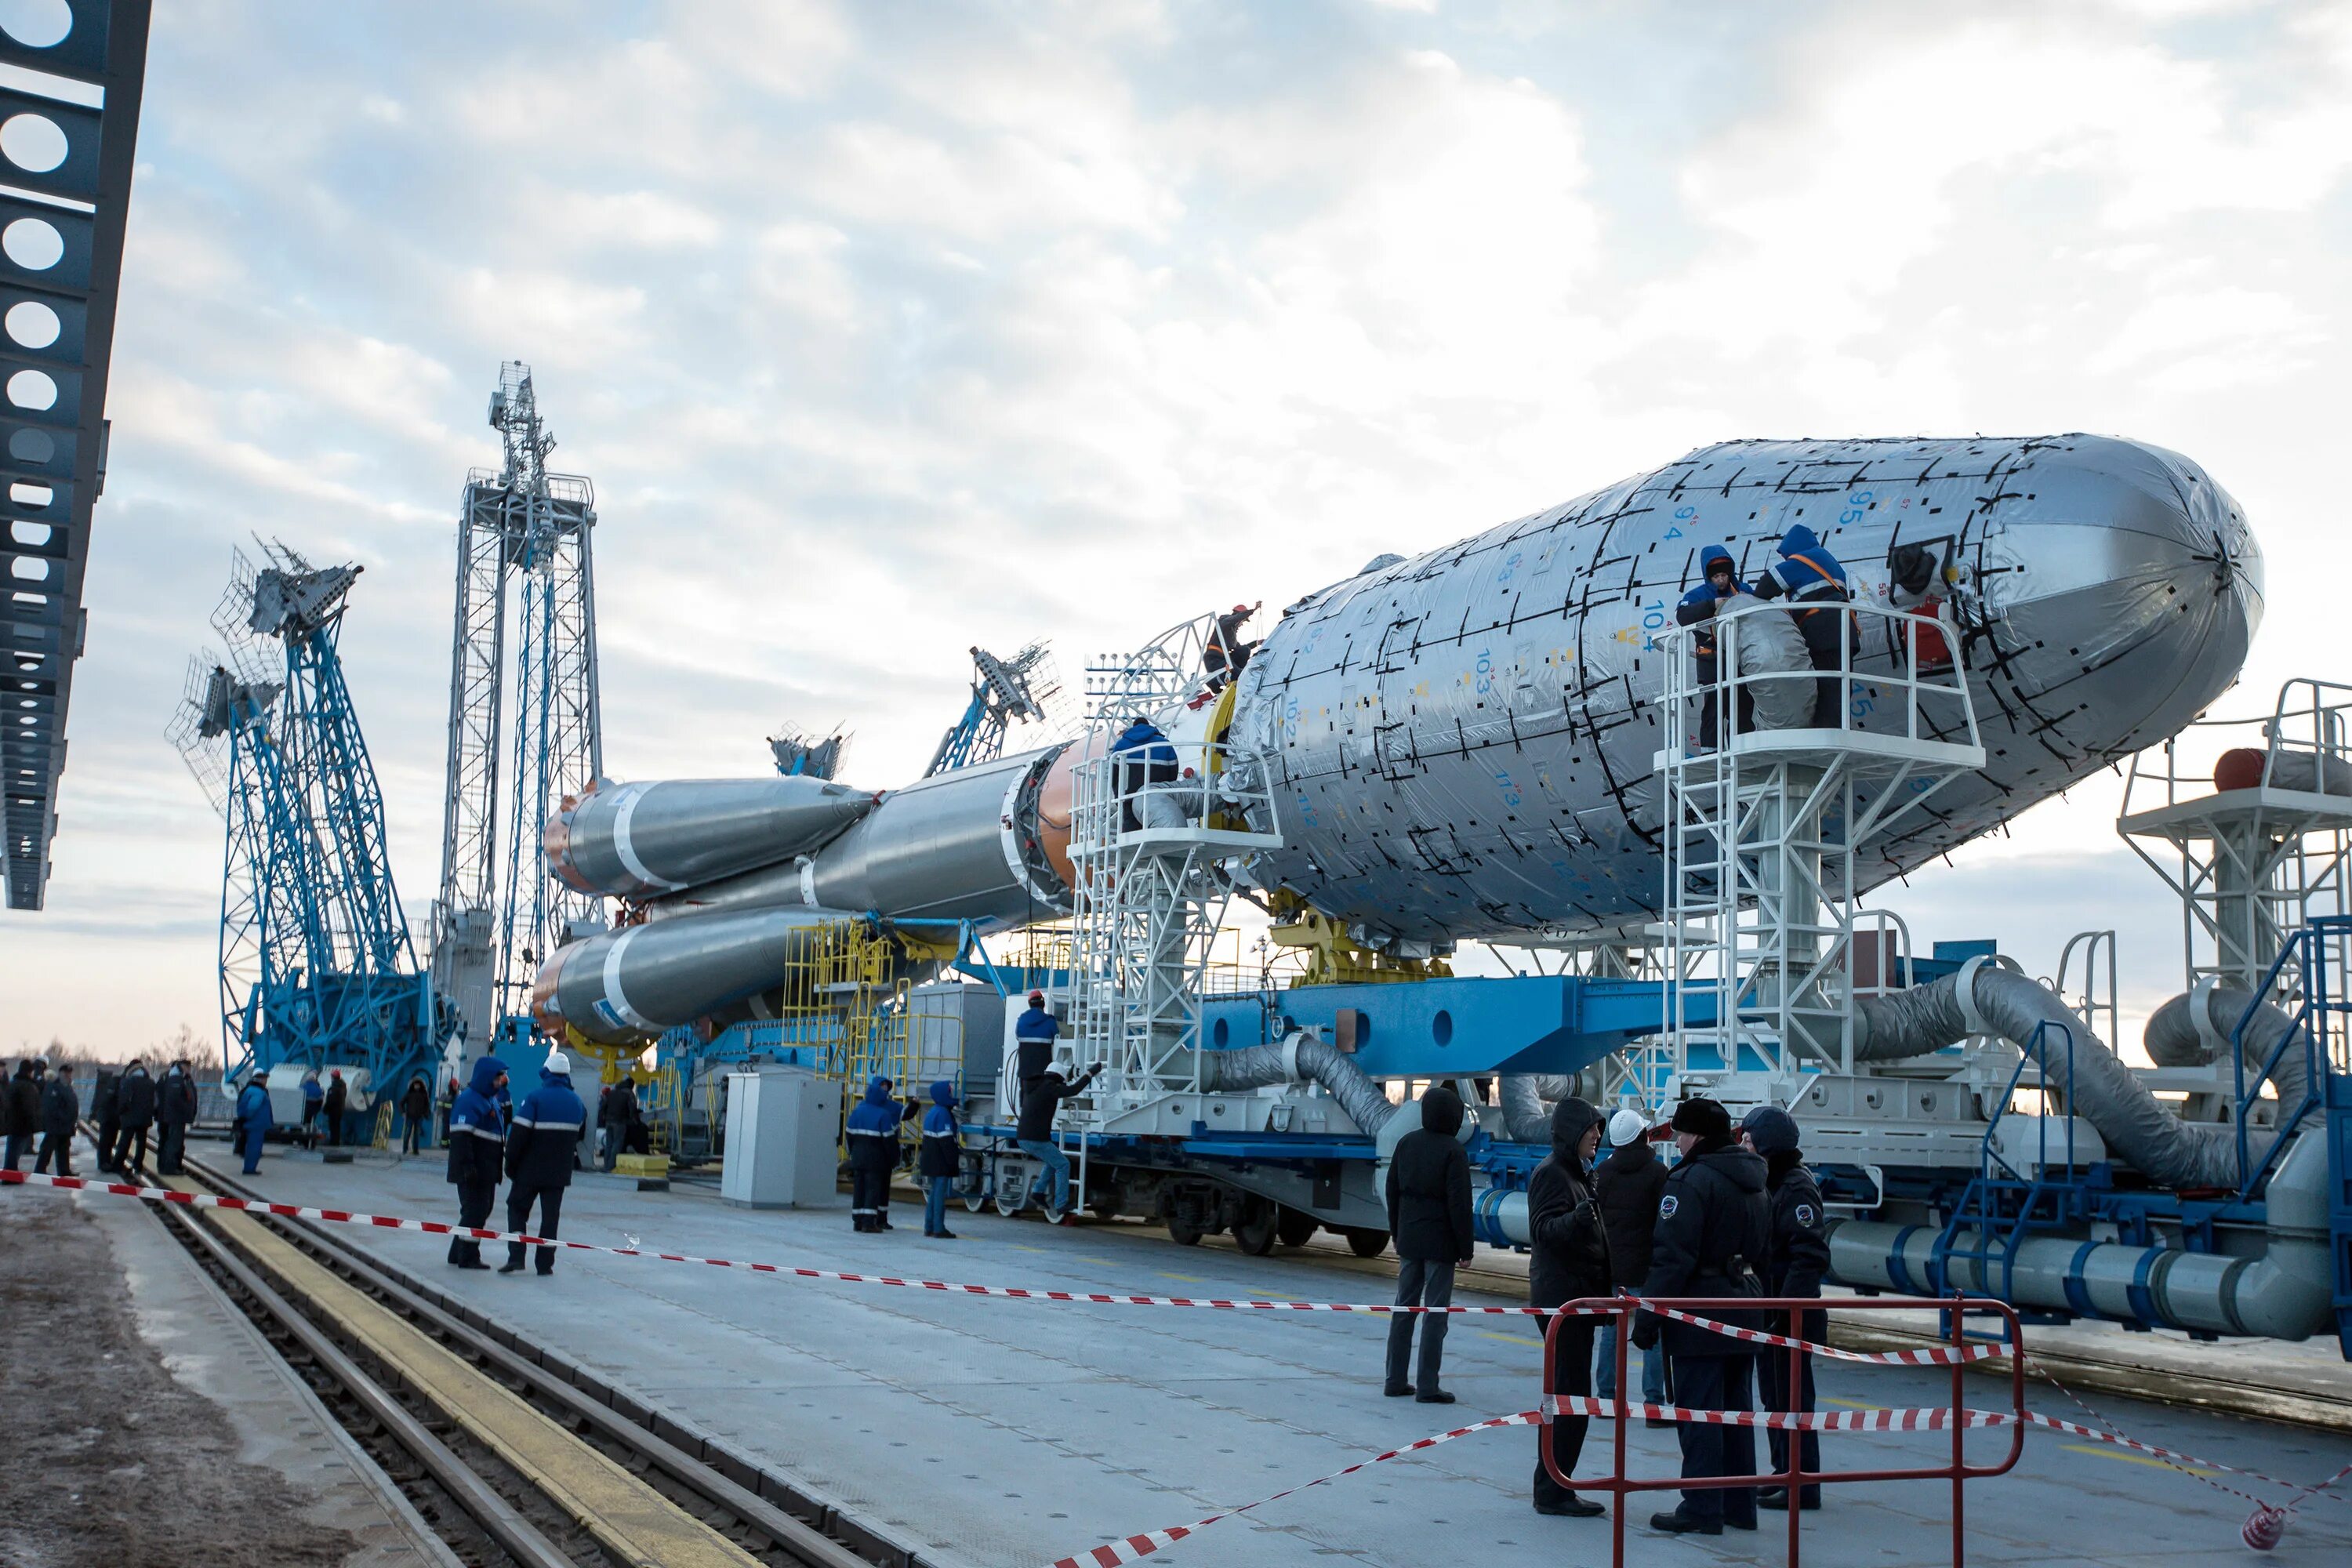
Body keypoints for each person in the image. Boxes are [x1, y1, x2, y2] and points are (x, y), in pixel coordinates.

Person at [1633, 1096, 1771, 1536]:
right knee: (1737, 1413)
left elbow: (1672, 1257)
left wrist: (1648, 1318)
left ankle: (1702, 1506)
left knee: (1698, 1414)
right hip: (1746, 1305)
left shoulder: (1690, 1182)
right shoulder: (1756, 1180)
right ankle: (1739, 1504)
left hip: (1700, 1313)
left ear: (1695, 1136)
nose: (1676, 1142)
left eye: (1680, 1134)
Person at [1742, 1104, 1831, 1512]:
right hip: (1772, 1312)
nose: (1743, 1144)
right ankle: (1782, 1472)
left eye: (1749, 1138)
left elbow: (1808, 1256)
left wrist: (1784, 1309)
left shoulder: (1795, 1188)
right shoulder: (1771, 1183)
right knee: (1775, 1398)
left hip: (1791, 1317)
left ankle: (1803, 1483)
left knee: (1794, 1400)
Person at [1528, 1096, 1612, 1517]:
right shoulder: (1552, 1175)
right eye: (1591, 1128)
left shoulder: (1580, 1173)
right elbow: (1542, 1231)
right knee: (1569, 1400)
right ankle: (1553, 1490)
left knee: (1574, 1400)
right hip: (1562, 1304)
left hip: (1578, 1300)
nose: (1598, 1134)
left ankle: (1558, 1484)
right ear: (1572, 1132)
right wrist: (1576, 1220)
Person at [1382, 1083, 1475, 1404]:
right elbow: (1459, 1205)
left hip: (1409, 1238)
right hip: (1440, 1245)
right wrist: (1466, 1249)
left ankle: (1394, 1379)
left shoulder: (1406, 1144)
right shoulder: (1453, 1151)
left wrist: (1396, 1233)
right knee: (1435, 1314)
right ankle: (1427, 1385)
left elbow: (1392, 1192)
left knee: (1403, 1309)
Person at [1594, 1108, 1670, 1423]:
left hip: (1612, 1268)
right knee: (1651, 1335)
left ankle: (1606, 1399)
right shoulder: (1658, 1172)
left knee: (1611, 1334)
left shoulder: (1603, 1173)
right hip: (1647, 1267)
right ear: (1643, 1135)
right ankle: (1654, 1404)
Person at [1748, 524, 1853, 728]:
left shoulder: (1801, 560)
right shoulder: (1831, 563)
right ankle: (1837, 726)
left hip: (1823, 630)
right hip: (1846, 630)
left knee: (1825, 682)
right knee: (1841, 680)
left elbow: (1765, 587)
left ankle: (1826, 729)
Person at [500, 1051, 586, 1276]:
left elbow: (518, 1135)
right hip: (558, 1173)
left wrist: (510, 1164)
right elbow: (580, 1135)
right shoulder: (577, 1103)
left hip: (529, 1170)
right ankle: (545, 1264)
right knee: (550, 1219)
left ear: (546, 1073)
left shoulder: (535, 1098)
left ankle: (517, 1257)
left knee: (517, 1208)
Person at [1675, 546, 1755, 749]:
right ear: (1708, 577)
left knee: (1743, 707)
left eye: (1724, 575)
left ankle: (1742, 750)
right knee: (1714, 709)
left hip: (1740, 660)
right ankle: (1710, 754)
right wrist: (1712, 605)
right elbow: (1683, 616)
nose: (1721, 580)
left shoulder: (1743, 591)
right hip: (1712, 662)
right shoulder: (1697, 596)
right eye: (1716, 576)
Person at [1014, 1059, 1102, 1221]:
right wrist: (1090, 1073)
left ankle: (1038, 1192)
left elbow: (1062, 1088)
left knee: (1053, 1161)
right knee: (1063, 1164)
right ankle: (1061, 1204)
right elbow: (1073, 1090)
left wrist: (1066, 1079)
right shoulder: (1050, 1088)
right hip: (1035, 1138)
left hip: (1024, 1136)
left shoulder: (1037, 1086)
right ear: (1058, 1078)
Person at [445, 1055, 509, 1269]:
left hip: (486, 1169)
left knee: (478, 1210)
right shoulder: (469, 1101)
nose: (500, 1082)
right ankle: (468, 1256)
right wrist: (467, 1166)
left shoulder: (489, 1100)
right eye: (497, 1078)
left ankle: (457, 1252)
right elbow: (461, 1137)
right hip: (474, 1170)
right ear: (486, 1077)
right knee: (475, 1212)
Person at [845, 1076, 903, 1232]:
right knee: (872, 1189)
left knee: (859, 1189)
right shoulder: (883, 1115)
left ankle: (857, 1221)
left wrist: (852, 1153)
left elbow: (849, 1135)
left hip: (857, 1158)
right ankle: (869, 1223)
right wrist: (893, 1158)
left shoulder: (856, 1112)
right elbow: (889, 1141)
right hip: (875, 1160)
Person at [1109, 714, 1177, 832]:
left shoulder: (1121, 745)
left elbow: (1114, 774)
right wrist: (1168, 790)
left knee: (1131, 833)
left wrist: (1118, 795)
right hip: (1158, 795)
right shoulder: (1163, 743)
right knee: (1160, 831)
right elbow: (1173, 771)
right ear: (1149, 726)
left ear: (1133, 727)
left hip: (1129, 796)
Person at [918, 1081, 962, 1239]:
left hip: (931, 1160)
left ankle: (929, 1227)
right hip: (940, 1162)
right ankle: (938, 1228)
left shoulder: (933, 1112)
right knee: (938, 1196)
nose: (951, 1095)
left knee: (933, 1195)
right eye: (949, 1093)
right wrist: (953, 1162)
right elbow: (946, 1142)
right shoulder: (943, 1114)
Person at [1203, 601, 1261, 690]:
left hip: (1224, 659)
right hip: (1215, 660)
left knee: (1245, 650)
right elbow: (1232, 620)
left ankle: (1237, 674)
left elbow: (1240, 648)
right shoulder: (1224, 621)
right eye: (1243, 621)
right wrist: (1252, 611)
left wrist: (1257, 643)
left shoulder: (1231, 635)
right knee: (1241, 676)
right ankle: (1213, 682)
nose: (1242, 624)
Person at [154, 1058, 198, 1177]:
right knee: (173, 1142)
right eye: (188, 1067)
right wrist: (186, 1109)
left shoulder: (179, 1078)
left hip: (172, 1116)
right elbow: (175, 1099)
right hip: (176, 1116)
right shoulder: (177, 1079)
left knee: (171, 1142)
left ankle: (168, 1166)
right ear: (183, 1066)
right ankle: (170, 1168)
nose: (190, 1070)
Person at [34, 1062, 78, 1175]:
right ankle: (40, 1169)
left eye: (69, 1073)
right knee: (47, 1148)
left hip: (66, 1125)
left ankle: (64, 1170)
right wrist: (63, 1117)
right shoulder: (53, 1086)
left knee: (64, 1148)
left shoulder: (68, 1086)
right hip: (56, 1124)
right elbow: (50, 1106)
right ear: (61, 1073)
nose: (68, 1076)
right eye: (66, 1073)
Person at [114, 1059, 155, 1179]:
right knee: (141, 1143)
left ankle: (118, 1164)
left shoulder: (129, 1081)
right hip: (145, 1118)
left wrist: (121, 1112)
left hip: (130, 1117)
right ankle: (138, 1166)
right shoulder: (151, 1082)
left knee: (125, 1142)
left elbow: (124, 1100)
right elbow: (155, 1101)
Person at [5, 1058, 42, 1171]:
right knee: (15, 1150)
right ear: (30, 1072)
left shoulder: (13, 1083)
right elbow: (29, 1107)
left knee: (12, 1149)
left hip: (13, 1122)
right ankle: (10, 1175)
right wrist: (34, 1124)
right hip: (23, 1124)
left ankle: (9, 1172)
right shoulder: (28, 1086)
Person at [234, 1073, 273, 1175]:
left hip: (251, 1123)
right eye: (265, 1080)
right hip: (256, 1123)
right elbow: (253, 1107)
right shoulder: (258, 1092)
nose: (266, 1082)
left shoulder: (249, 1089)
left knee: (251, 1146)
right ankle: (250, 1169)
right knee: (254, 1147)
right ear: (261, 1080)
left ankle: (249, 1168)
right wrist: (249, 1117)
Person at [91, 1067, 120, 1174]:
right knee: (108, 1141)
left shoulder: (104, 1086)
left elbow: (98, 1101)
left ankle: (104, 1162)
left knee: (105, 1141)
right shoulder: (114, 1084)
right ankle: (105, 1162)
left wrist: (94, 1113)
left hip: (106, 1117)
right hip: (111, 1118)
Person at [597, 1079, 630, 1171]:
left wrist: (603, 1119)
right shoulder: (626, 1096)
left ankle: (606, 1165)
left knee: (609, 1144)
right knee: (617, 1143)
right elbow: (631, 1110)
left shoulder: (610, 1094)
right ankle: (611, 1166)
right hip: (620, 1122)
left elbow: (603, 1107)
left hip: (608, 1121)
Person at [399, 1074, 432, 1156]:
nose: (416, 1086)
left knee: (416, 1135)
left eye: (418, 1084)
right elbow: (401, 1103)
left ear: (421, 1085)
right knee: (407, 1133)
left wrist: (426, 1114)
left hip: (419, 1117)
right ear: (413, 1085)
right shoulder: (409, 1094)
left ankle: (416, 1151)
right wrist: (403, 1112)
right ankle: (405, 1149)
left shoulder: (424, 1094)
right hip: (410, 1117)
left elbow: (427, 1105)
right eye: (415, 1084)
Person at [299, 1068, 324, 1149]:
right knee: (311, 1126)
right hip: (313, 1111)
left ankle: (302, 1141)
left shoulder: (303, 1087)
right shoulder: (318, 1089)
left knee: (304, 1125)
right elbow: (320, 1101)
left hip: (304, 1111)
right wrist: (316, 1110)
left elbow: (298, 1099)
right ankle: (310, 1143)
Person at [322, 1069, 348, 1148]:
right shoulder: (343, 1087)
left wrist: (325, 1109)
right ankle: (336, 1141)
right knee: (337, 1126)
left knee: (333, 1126)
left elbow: (331, 1100)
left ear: (333, 1077)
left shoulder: (334, 1088)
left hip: (333, 1111)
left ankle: (333, 1142)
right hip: (340, 1110)